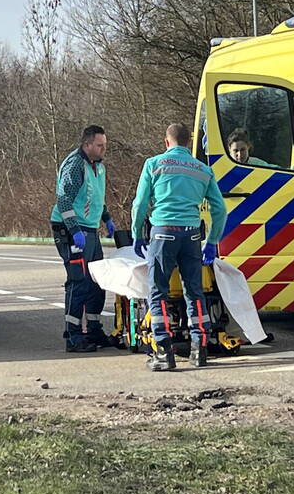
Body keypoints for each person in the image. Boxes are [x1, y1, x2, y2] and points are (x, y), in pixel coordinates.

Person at [131, 123, 227, 371]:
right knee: (194, 292)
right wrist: (213, 240)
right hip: (192, 235)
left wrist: (136, 232)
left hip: (163, 232)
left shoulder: (154, 164)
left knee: (158, 291)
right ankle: (199, 349)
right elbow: (220, 209)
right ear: (188, 142)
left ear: (166, 142)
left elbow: (140, 203)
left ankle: (164, 352)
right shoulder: (203, 170)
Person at [51, 124, 116, 353]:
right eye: (99, 145)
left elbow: (96, 195)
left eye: (104, 145)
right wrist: (74, 230)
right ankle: (73, 335)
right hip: (70, 230)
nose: (103, 149)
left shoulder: (98, 167)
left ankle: (94, 330)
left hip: (89, 229)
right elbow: (64, 200)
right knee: (79, 282)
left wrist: (106, 218)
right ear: (87, 144)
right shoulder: (75, 165)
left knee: (97, 281)